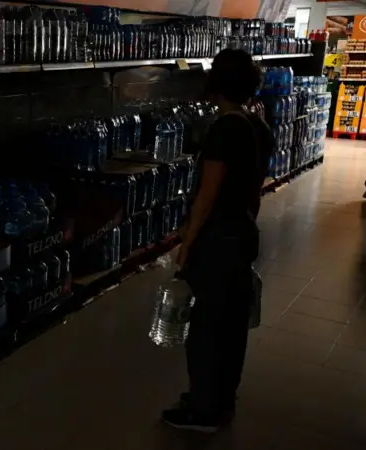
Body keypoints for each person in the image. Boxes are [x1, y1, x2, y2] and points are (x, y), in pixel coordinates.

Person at [161, 49, 274, 433]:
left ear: (216, 84)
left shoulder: (225, 129)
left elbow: (208, 196)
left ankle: (204, 410)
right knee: (231, 327)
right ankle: (222, 399)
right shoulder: (257, 125)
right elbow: (254, 188)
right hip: (242, 233)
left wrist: (186, 246)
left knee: (207, 328)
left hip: (218, 240)